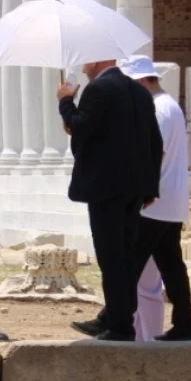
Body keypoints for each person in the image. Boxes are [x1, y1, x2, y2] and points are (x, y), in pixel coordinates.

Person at [57, 57, 161, 341]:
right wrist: (150, 188)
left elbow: (80, 126)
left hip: (106, 188)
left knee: (111, 256)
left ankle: (119, 326)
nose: (84, 63)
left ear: (100, 60)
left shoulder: (98, 89)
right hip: (134, 188)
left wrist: (66, 102)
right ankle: (121, 317)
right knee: (125, 254)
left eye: (88, 58)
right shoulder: (139, 91)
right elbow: (153, 141)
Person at [121, 56, 191, 342]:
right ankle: (185, 325)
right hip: (170, 202)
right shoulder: (169, 106)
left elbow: (155, 153)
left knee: (130, 264)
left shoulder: (158, 109)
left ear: (142, 82)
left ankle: (113, 320)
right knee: (171, 267)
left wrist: (142, 191)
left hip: (155, 203)